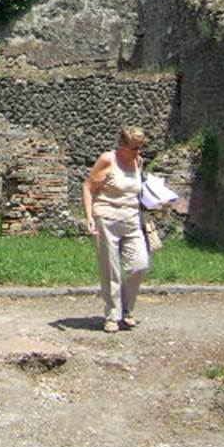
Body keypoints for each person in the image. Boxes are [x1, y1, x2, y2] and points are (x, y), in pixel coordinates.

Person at [82, 126, 150, 333]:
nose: (137, 152)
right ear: (121, 146)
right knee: (111, 270)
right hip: (107, 218)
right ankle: (112, 315)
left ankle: (127, 309)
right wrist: (89, 217)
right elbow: (88, 187)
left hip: (132, 219)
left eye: (140, 148)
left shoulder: (138, 161)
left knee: (140, 265)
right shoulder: (107, 160)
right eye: (133, 148)